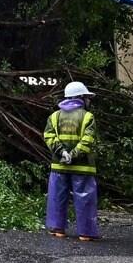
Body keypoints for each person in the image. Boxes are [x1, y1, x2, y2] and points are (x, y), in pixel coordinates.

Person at [43, 80, 100, 241]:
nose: (88, 101)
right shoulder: (88, 117)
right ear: (80, 97)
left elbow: (48, 136)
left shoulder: (54, 117)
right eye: (87, 97)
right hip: (82, 167)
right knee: (85, 199)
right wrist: (73, 154)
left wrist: (62, 153)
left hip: (58, 166)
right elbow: (88, 140)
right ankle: (85, 233)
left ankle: (58, 229)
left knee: (57, 198)